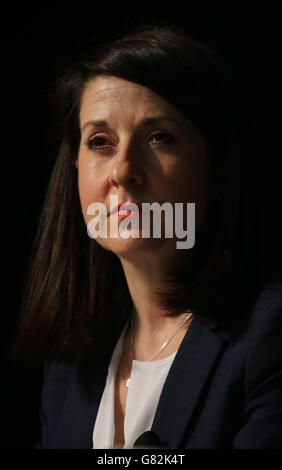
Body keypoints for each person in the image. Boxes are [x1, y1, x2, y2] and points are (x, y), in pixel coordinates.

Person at [11, 23, 282, 449]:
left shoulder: (269, 337)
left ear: (218, 171)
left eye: (159, 137)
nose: (122, 171)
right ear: (75, 172)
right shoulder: (67, 364)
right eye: (100, 141)